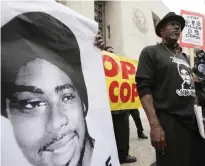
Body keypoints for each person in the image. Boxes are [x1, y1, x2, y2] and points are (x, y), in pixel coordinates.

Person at [1, 12, 105, 166]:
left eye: (67, 97)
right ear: (7, 114)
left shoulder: (106, 151)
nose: (56, 122)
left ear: (83, 102)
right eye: (32, 104)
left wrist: (93, 50)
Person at [136, 12, 205, 166]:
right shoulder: (151, 52)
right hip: (170, 121)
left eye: (179, 26)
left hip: (194, 121)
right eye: (172, 24)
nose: (177, 27)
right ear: (161, 30)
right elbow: (144, 89)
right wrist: (155, 125)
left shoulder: (183, 57)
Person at [103, 46, 137, 163]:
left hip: (122, 106)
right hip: (107, 108)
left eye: (113, 52)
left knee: (123, 133)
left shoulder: (121, 66)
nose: (111, 54)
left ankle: (123, 155)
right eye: (108, 52)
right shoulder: (99, 67)